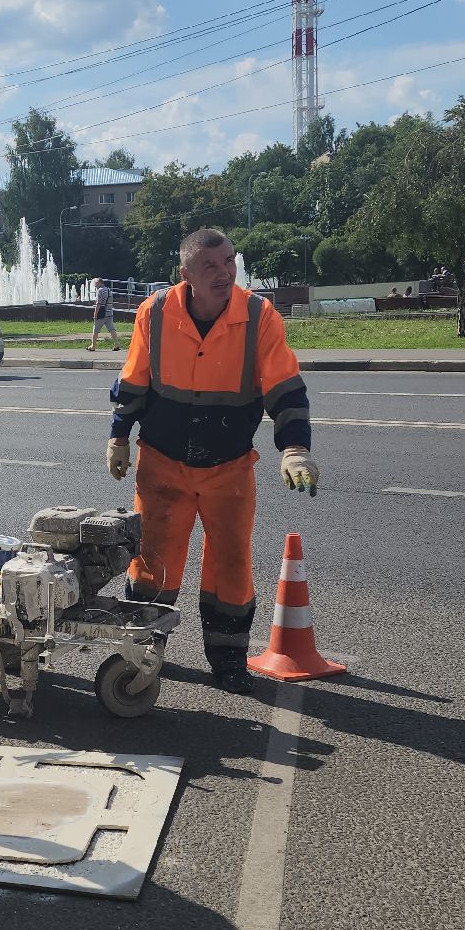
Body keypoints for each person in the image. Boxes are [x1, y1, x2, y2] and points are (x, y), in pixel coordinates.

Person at [107, 228, 318, 695]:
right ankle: (143, 650)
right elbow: (134, 380)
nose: (225, 273)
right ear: (187, 275)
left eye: (230, 262)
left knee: (231, 565)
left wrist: (295, 447)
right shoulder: (156, 313)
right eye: (212, 267)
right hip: (162, 464)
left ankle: (228, 659)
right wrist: (119, 436)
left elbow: (286, 388)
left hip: (229, 467)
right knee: (153, 563)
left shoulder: (260, 317)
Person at [89, 280, 120, 352]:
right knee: (111, 329)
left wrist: (95, 314)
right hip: (109, 312)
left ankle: (93, 346)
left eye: (95, 283)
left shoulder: (100, 291)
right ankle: (116, 344)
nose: (94, 285)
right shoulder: (109, 290)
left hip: (101, 314)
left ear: (99, 282)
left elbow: (98, 303)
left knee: (95, 329)